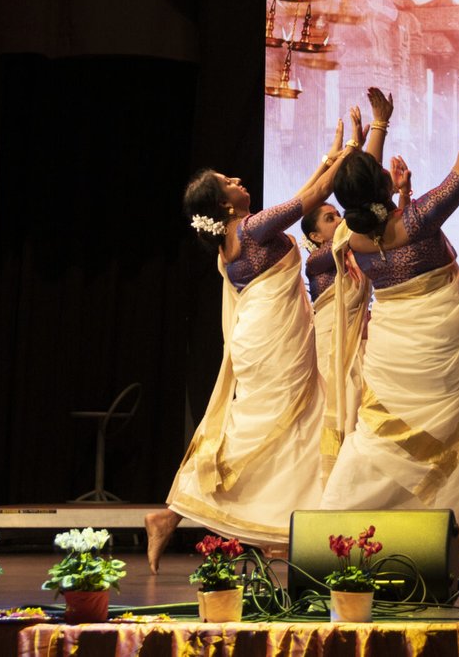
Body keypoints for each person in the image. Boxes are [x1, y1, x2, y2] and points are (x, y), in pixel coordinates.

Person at [145, 123, 353, 572]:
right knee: (263, 429)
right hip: (272, 342)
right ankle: (173, 512)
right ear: (223, 203)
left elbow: (308, 191)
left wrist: (330, 157)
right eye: (229, 183)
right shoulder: (255, 228)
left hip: (263, 340)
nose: (239, 181)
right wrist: (353, 148)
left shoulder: (235, 238)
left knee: (287, 425)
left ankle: (288, 528)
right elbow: (314, 195)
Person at [318, 76, 459, 541]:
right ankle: (433, 541)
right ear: (385, 186)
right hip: (440, 350)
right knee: (445, 435)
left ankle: (333, 526)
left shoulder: (351, 238)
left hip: (393, 350)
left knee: (376, 434)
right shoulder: (415, 221)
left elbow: (360, 187)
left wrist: (380, 125)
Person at [302, 93, 400, 485]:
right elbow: (361, 199)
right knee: (335, 414)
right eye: (329, 217)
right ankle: (327, 492)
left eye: (337, 213)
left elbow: (362, 206)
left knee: (362, 413)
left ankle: (354, 490)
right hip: (330, 351)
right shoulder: (317, 261)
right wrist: (374, 132)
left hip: (361, 344)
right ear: (313, 234)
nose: (338, 218)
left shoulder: (352, 251)